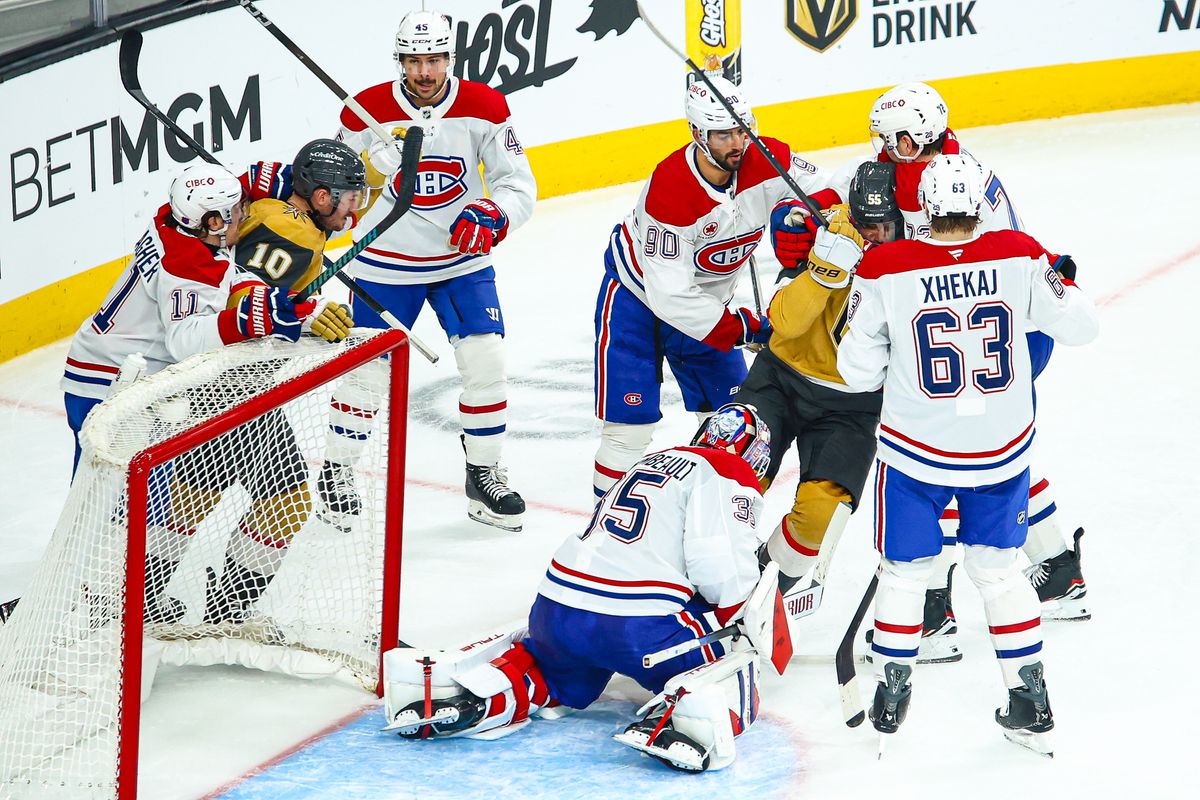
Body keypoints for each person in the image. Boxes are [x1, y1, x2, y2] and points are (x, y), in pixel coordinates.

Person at [836, 154, 1099, 754]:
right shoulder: (1019, 252)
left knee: (905, 571)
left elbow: (854, 371)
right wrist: (1061, 281)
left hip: (916, 453)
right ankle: (1030, 700)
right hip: (1001, 454)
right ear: (978, 203)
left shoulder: (884, 267)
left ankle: (892, 695)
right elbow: (1083, 327)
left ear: (922, 207)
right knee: (1000, 571)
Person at [379, 404, 792, 772]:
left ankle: (478, 693)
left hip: (556, 608)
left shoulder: (652, 461)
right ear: (754, 458)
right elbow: (721, 567)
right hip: (637, 627)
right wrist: (737, 619)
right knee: (736, 655)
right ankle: (684, 719)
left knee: (551, 672)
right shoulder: (728, 470)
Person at [61, 149, 360, 624]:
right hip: (115, 386)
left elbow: (233, 229)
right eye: (238, 211)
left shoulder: (184, 221)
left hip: (135, 376)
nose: (246, 214)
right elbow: (187, 342)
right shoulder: (187, 265)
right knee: (110, 507)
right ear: (215, 223)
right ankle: (82, 601)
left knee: (168, 496)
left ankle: (135, 599)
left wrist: (284, 182)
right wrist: (262, 316)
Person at [867, 81, 1089, 627]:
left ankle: (932, 606)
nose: (893, 148)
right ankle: (1058, 568)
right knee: (986, 459)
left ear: (929, 134)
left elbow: (972, 264)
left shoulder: (964, 183)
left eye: (904, 139)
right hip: (959, 333)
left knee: (943, 457)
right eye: (886, 139)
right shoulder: (891, 172)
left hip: (996, 334)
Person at [330, 9, 537, 532]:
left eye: (435, 59)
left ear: (451, 58)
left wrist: (494, 214)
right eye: (414, 60)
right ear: (399, 60)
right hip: (385, 264)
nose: (425, 71)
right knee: (366, 378)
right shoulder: (364, 111)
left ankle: (483, 474)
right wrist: (372, 169)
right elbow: (333, 194)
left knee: (486, 360)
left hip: (462, 261)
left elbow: (519, 186)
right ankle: (335, 470)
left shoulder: (484, 107)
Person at [590, 74, 842, 502]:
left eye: (742, 129)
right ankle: (607, 535)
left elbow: (829, 189)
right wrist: (744, 327)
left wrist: (803, 210)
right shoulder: (670, 191)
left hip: (708, 304)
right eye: (724, 134)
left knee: (733, 425)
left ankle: (708, 521)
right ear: (697, 134)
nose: (737, 143)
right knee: (628, 432)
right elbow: (670, 296)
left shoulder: (767, 157)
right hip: (637, 302)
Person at [738, 162, 900, 598]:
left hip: (851, 408)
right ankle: (685, 572)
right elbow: (783, 322)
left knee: (819, 520)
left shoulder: (913, 262)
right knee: (725, 477)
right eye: (866, 226)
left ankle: (757, 587)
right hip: (780, 379)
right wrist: (822, 270)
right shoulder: (826, 230)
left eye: (885, 226)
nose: (874, 238)